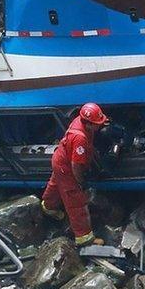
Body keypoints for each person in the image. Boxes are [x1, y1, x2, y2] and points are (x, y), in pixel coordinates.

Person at [41, 102, 109, 247]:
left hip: (60, 160)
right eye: (97, 124)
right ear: (89, 124)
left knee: (55, 186)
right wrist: (79, 181)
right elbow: (76, 165)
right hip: (67, 168)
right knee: (76, 201)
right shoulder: (80, 139)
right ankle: (84, 237)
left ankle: (49, 206)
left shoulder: (79, 121)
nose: (99, 126)